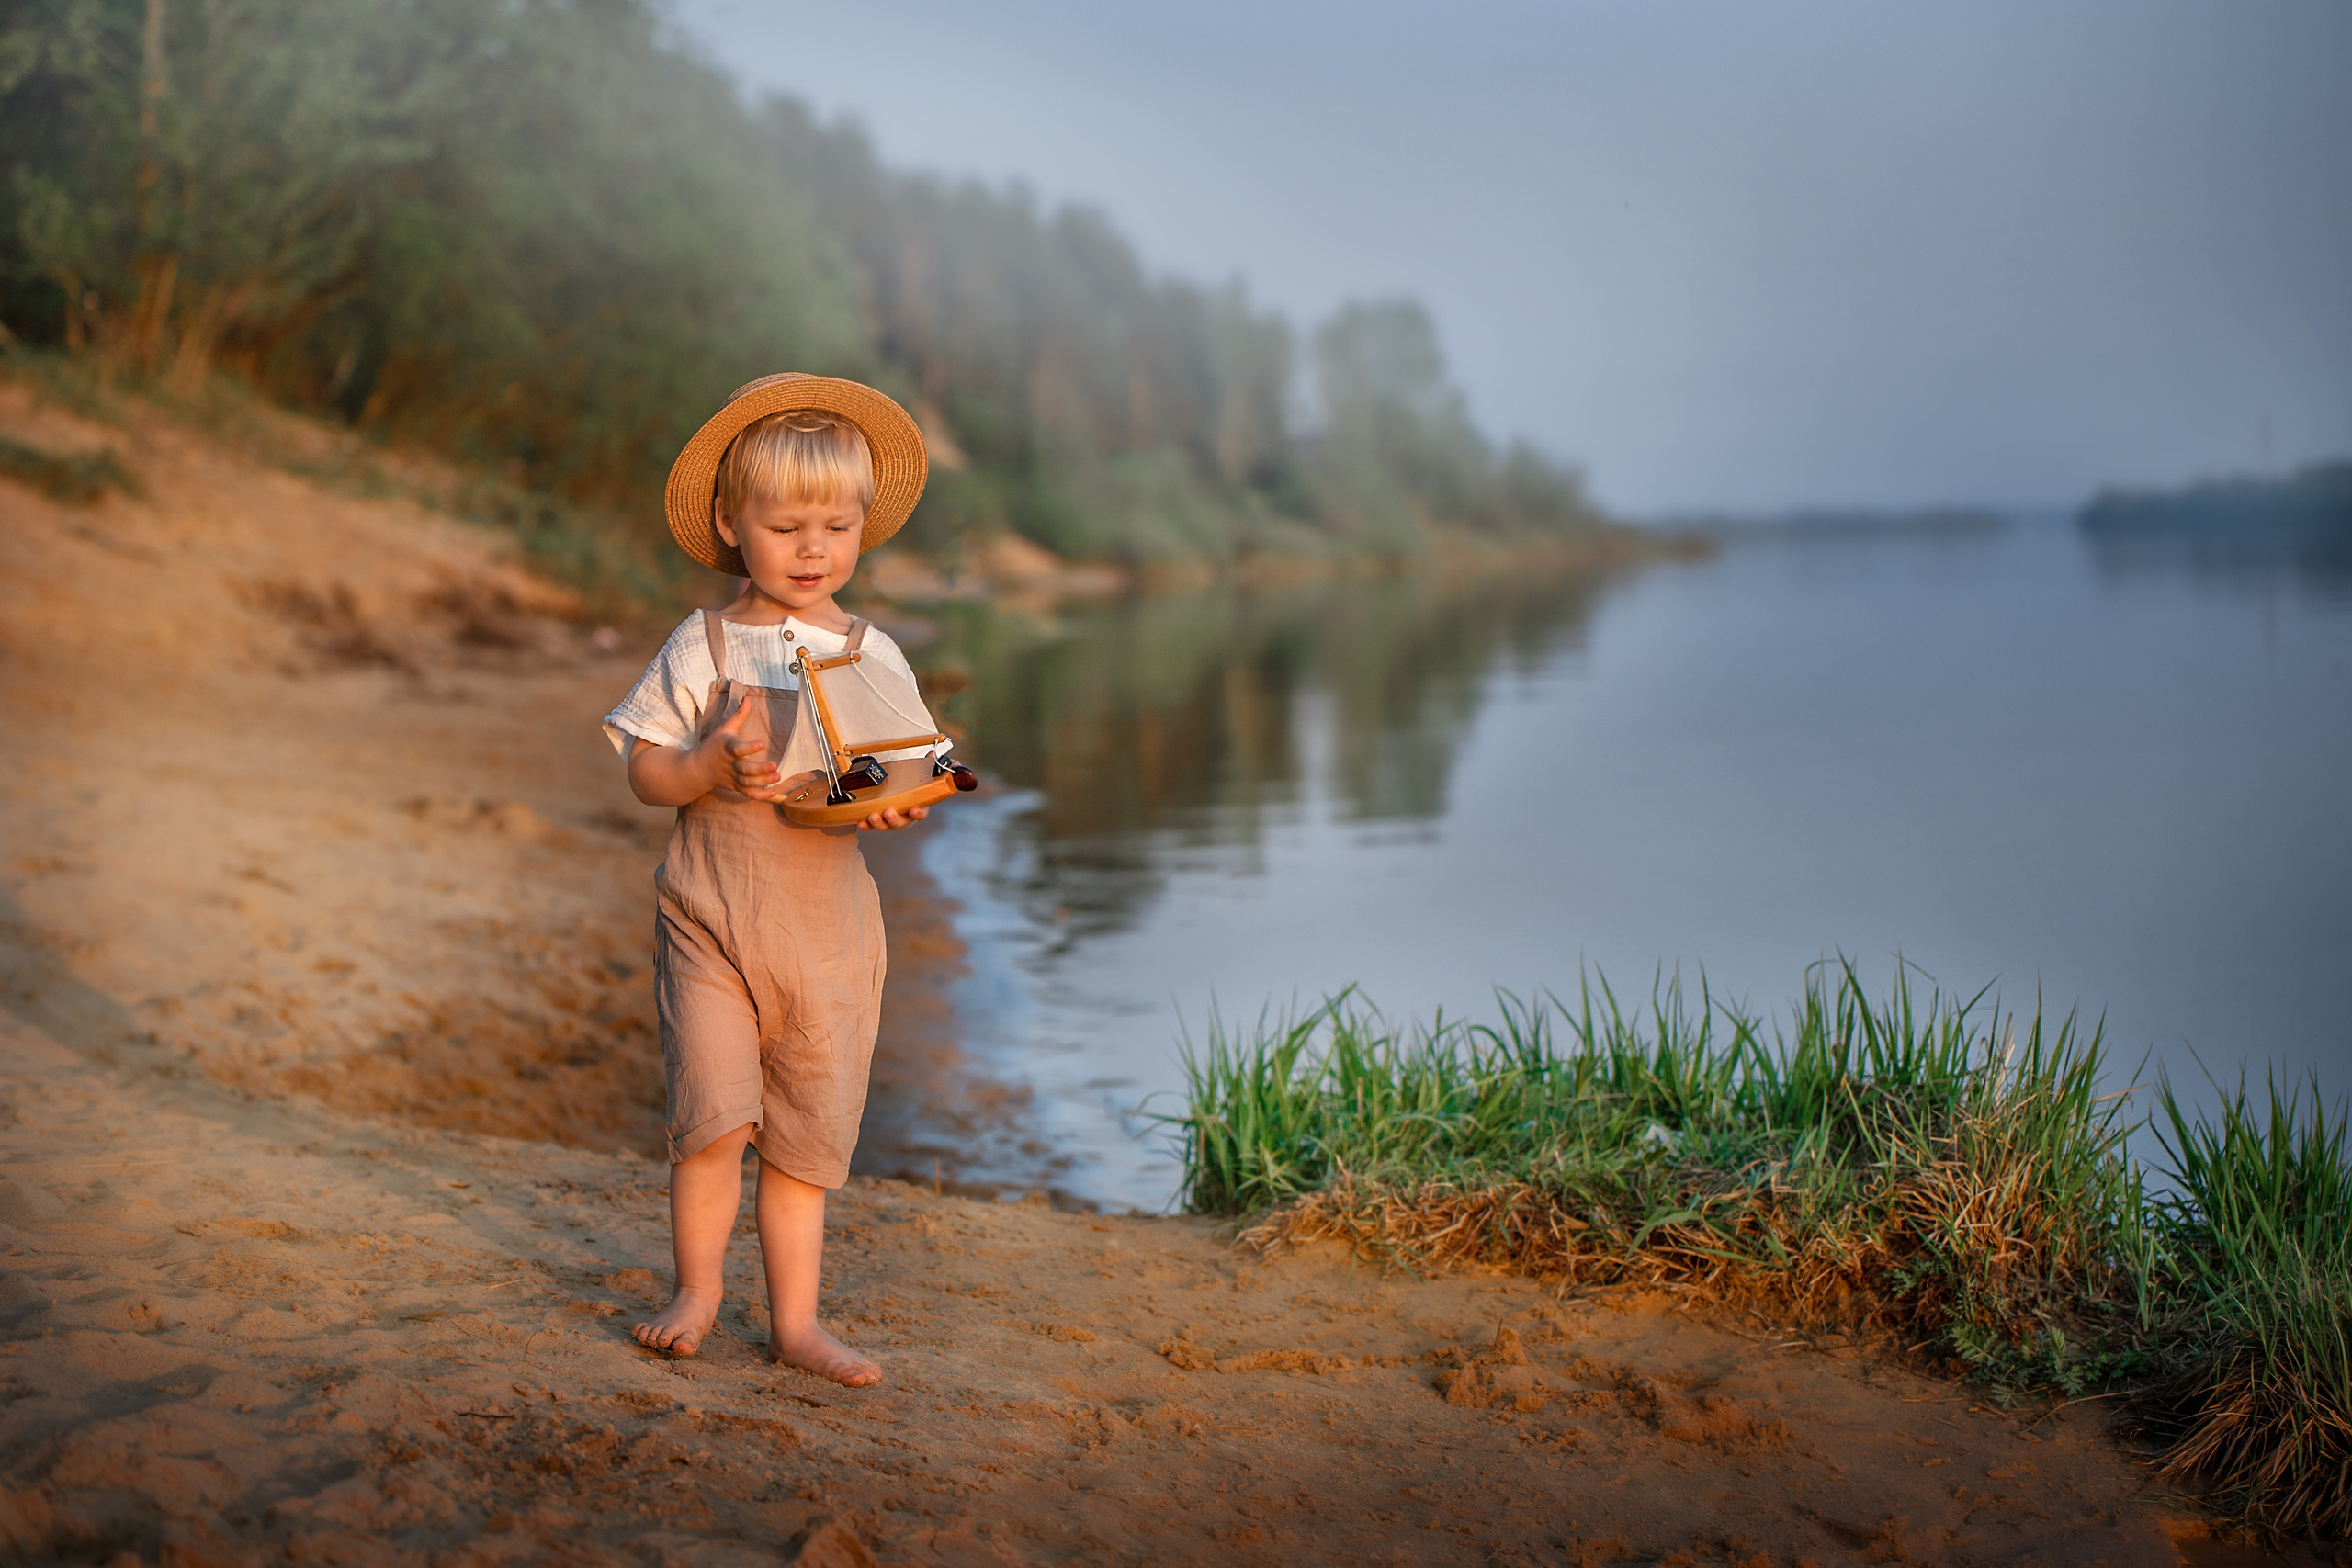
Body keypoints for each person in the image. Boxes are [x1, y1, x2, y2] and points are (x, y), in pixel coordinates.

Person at [599, 373, 936, 1387]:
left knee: (800, 1141)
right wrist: (702, 767)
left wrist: (895, 799)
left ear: (862, 528)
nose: (812, 549)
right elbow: (644, 770)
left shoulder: (870, 653)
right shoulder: (701, 645)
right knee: (713, 1121)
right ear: (728, 522)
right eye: (785, 525)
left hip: (826, 939)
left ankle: (796, 1324)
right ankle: (697, 1291)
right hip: (709, 920)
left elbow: (902, 773)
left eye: (836, 525)